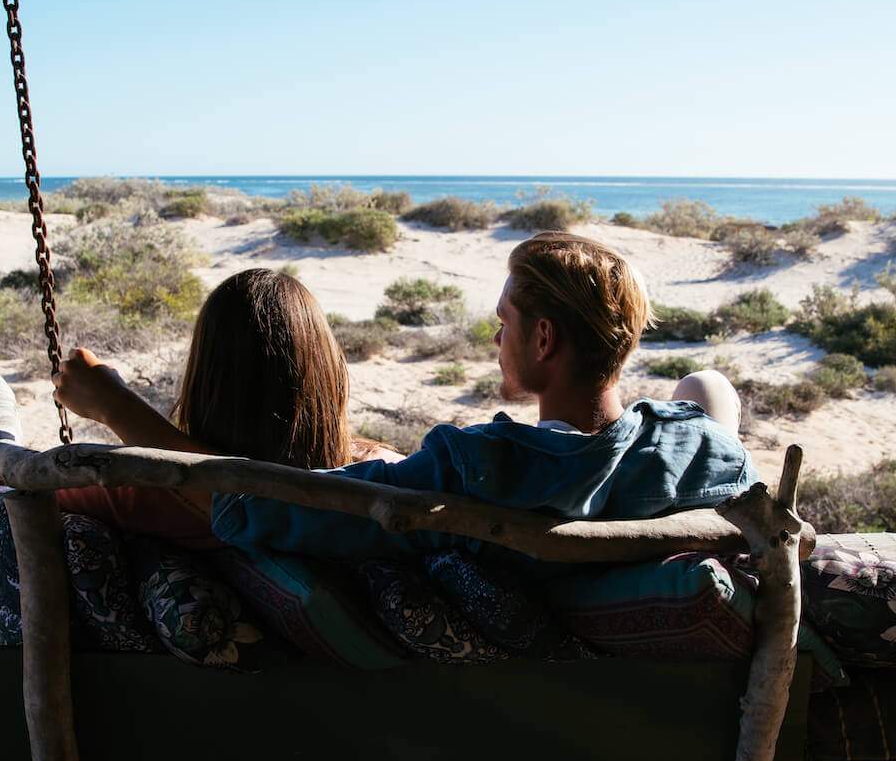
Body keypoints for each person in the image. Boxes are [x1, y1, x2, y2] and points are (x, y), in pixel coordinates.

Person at [209, 232, 759, 564]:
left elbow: (248, 512)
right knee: (707, 388)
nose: (497, 340)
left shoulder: (472, 466)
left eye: (505, 322)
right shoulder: (709, 454)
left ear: (543, 339)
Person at [52, 267, 397, 548]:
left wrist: (116, 407)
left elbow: (22, 492)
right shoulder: (378, 482)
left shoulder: (138, 498)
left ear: (204, 379)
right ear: (328, 372)